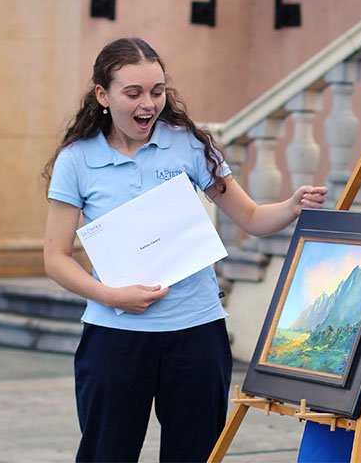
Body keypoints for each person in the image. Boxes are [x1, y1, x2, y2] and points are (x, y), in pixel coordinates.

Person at [42, 37, 327, 463]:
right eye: (134, 92)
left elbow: (249, 217)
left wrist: (291, 206)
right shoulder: (77, 160)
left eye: (156, 91)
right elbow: (55, 258)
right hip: (114, 338)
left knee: (196, 455)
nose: (149, 104)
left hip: (197, 333)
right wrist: (113, 297)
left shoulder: (190, 145)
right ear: (103, 95)